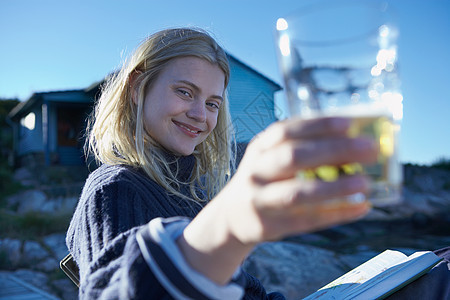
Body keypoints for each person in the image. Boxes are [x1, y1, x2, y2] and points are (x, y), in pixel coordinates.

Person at [66, 27, 449, 299]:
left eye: (213, 103)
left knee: (433, 267)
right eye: (185, 92)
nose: (200, 114)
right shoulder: (115, 188)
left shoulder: (190, 192)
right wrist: (230, 223)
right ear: (137, 89)